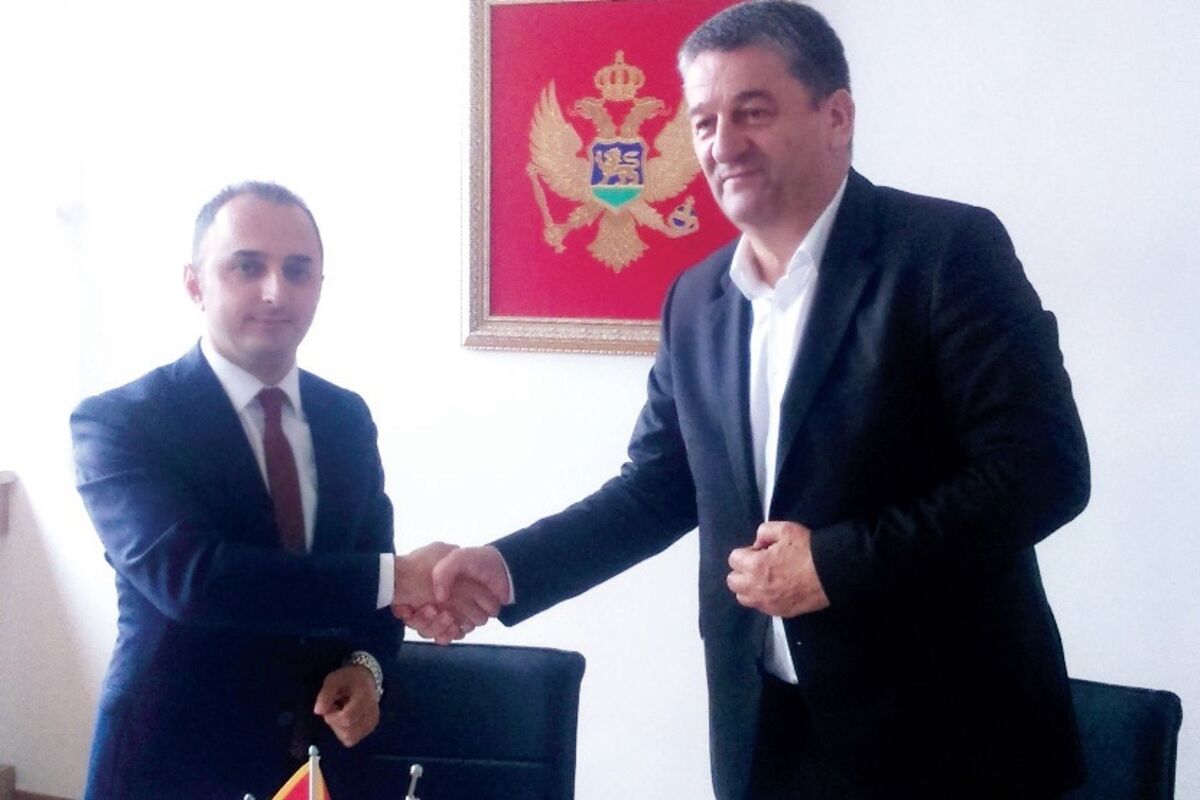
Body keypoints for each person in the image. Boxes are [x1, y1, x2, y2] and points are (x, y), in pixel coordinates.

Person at [407, 3, 1091, 798]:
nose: (722, 145)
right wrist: (507, 569)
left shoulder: (946, 253)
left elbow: (1042, 472)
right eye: (703, 121)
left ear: (836, 117)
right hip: (767, 738)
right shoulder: (695, 301)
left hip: (953, 743)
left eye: (752, 112)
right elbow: (656, 489)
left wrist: (834, 564)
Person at [71, 182, 496, 799]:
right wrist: (401, 577)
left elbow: (372, 577)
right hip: (170, 760)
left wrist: (366, 668)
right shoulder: (121, 423)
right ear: (194, 283)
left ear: (320, 284)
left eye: (298, 270)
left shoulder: (346, 417)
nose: (276, 291)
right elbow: (195, 580)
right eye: (247, 267)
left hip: (320, 758)